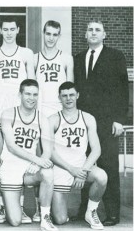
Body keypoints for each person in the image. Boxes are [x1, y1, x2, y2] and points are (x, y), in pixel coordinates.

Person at [74, 20, 129, 226]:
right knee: (85, 164)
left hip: (107, 122)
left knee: (108, 166)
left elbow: (123, 90)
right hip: (84, 122)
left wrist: (120, 120)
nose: (93, 33)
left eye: (97, 30)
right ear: (85, 35)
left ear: (105, 34)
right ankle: (84, 209)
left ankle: (113, 212)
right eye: (90, 30)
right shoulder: (78, 58)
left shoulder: (116, 56)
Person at [0, 16, 35, 224]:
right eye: (5, 29)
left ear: (18, 30)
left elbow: (33, 85)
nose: (9, 32)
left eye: (12, 29)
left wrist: (33, 115)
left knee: (20, 159)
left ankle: (20, 208)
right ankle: (4, 208)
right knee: (3, 160)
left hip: (19, 112)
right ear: (0, 30)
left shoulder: (26, 54)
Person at [0, 79, 57, 231]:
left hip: (29, 168)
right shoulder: (8, 114)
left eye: (35, 94)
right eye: (28, 94)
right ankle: (7, 206)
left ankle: (45, 217)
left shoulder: (41, 118)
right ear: (20, 94)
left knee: (48, 173)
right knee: (15, 221)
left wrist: (39, 163)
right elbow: (11, 146)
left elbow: (48, 149)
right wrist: (36, 159)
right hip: (11, 166)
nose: (31, 98)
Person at [50, 82, 107, 229]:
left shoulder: (88, 118)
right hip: (61, 168)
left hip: (82, 167)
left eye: (71, 95)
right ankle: (51, 204)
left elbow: (96, 150)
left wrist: (82, 172)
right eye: (64, 96)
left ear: (77, 96)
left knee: (101, 176)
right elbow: (50, 152)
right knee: (60, 219)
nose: (68, 99)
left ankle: (91, 211)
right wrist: (71, 170)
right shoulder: (53, 119)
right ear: (59, 98)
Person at [35, 20, 74, 117]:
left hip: (60, 108)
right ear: (43, 34)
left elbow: (69, 89)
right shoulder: (35, 58)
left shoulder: (66, 58)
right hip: (40, 108)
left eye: (55, 35)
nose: (51, 38)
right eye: (48, 34)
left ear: (59, 36)